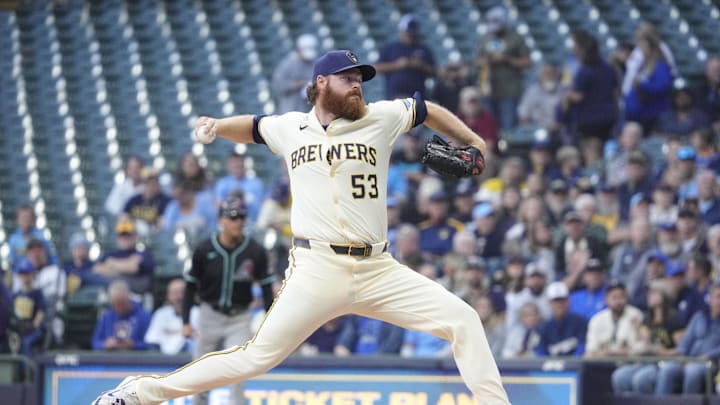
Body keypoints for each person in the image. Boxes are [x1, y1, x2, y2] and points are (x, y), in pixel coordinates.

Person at [93, 49, 510, 405]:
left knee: (464, 319)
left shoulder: (380, 117)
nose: (357, 85)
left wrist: (475, 142)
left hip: (379, 269)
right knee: (256, 357)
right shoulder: (291, 127)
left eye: (360, 79)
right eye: (348, 78)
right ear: (322, 82)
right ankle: (140, 393)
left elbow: (426, 110)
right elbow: (255, 126)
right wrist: (218, 127)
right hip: (317, 268)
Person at [181, 195, 275, 405]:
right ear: (221, 220)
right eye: (232, 217)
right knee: (200, 376)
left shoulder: (255, 251)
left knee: (238, 375)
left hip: (239, 318)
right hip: (209, 315)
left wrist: (269, 323)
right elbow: (190, 286)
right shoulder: (205, 249)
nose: (238, 222)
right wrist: (186, 321)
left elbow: (267, 288)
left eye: (241, 217)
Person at [655, 283, 720, 395]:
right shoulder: (699, 317)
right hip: (690, 358)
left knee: (692, 371)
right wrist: (682, 357)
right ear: (710, 299)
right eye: (718, 297)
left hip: (711, 362)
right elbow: (686, 341)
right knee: (667, 368)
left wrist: (707, 356)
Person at [559, 29, 618, 151]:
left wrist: (567, 94)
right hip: (609, 117)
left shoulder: (585, 71)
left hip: (589, 119)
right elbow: (616, 92)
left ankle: (592, 170)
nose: (573, 49)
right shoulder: (608, 67)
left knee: (591, 151)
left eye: (575, 45)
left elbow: (578, 96)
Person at [475, 5, 531, 130]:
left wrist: (508, 60)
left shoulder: (516, 38)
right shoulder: (486, 37)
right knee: (490, 126)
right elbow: (477, 62)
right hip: (489, 90)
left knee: (508, 127)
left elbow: (528, 62)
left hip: (510, 91)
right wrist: (489, 60)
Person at [375, 14, 436, 99]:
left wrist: (421, 66)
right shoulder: (391, 48)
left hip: (417, 98)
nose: (411, 37)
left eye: (413, 34)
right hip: (394, 97)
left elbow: (435, 72)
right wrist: (397, 65)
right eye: (408, 33)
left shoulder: (424, 49)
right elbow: (376, 68)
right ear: (401, 32)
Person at [92, 219, 155, 295]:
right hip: (112, 295)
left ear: (135, 236)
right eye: (122, 235)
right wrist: (127, 264)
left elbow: (133, 268)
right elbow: (96, 269)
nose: (125, 238)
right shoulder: (109, 254)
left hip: (137, 295)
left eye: (128, 235)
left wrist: (112, 264)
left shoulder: (144, 254)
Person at [583, 282, 643, 358]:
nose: (618, 301)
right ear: (606, 299)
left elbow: (637, 349)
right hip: (601, 361)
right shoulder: (597, 319)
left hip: (627, 361)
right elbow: (590, 350)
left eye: (621, 297)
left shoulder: (635, 315)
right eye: (614, 297)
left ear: (627, 298)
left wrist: (612, 352)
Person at [91, 280, 151, 351]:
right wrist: (105, 344)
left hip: (136, 359)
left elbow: (151, 345)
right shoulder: (107, 316)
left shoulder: (144, 316)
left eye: (122, 303)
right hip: (110, 359)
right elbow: (95, 342)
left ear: (128, 297)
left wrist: (134, 345)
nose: (119, 308)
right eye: (115, 304)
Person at [144, 278, 198, 355]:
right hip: (163, 361)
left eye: (182, 292)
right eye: (174, 293)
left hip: (188, 360)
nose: (179, 297)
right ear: (168, 296)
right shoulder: (160, 314)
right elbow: (152, 341)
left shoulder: (198, 314)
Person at [534, 281, 588, 357]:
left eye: (562, 300)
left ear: (568, 301)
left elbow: (583, 346)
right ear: (549, 303)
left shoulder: (581, 322)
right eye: (555, 301)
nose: (559, 304)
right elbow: (540, 351)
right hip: (550, 367)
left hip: (576, 367)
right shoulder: (544, 327)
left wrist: (572, 363)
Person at [213, 151, 266, 223]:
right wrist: (231, 198)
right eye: (234, 163)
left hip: (251, 223)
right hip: (229, 223)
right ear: (229, 165)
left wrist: (245, 197)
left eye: (240, 163)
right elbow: (218, 207)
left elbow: (261, 208)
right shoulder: (223, 183)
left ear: (245, 164)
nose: (237, 165)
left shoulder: (256, 183)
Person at [271, 34, 318, 114]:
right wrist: (297, 84)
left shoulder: (315, 63)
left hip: (308, 110)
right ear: (299, 50)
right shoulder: (288, 64)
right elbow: (277, 85)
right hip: (290, 108)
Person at [123, 167, 171, 235]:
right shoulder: (134, 200)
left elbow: (164, 223)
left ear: (158, 184)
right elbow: (123, 217)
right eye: (147, 183)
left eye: (153, 183)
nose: (150, 186)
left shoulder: (166, 201)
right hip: (136, 235)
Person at [12, 258, 46, 355]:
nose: (25, 277)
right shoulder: (16, 294)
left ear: (32, 274)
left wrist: (33, 326)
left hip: (33, 330)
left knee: (26, 343)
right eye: (22, 274)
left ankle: (27, 370)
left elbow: (41, 312)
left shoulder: (37, 293)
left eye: (27, 273)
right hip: (19, 329)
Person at [517, 63, 564, 132]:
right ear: (540, 75)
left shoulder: (564, 90)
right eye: (545, 73)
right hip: (539, 129)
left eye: (551, 73)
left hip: (560, 129)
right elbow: (523, 113)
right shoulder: (532, 91)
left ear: (557, 74)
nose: (548, 76)